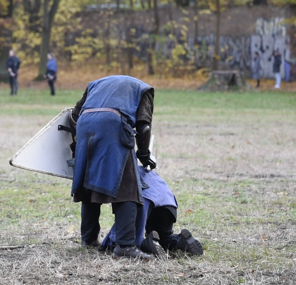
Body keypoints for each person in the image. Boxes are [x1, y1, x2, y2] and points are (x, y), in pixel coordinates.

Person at [70, 75, 157, 260]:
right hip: (113, 125)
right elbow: (144, 128)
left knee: (90, 182)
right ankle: (125, 246)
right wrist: (144, 155)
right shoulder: (144, 90)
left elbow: (73, 115)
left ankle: (88, 238)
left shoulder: (94, 84)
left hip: (85, 126)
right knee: (129, 186)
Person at [99, 166, 204, 257]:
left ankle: (148, 243)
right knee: (164, 237)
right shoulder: (143, 169)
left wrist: (104, 242)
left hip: (143, 200)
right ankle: (179, 241)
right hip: (168, 201)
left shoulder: (122, 173)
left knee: (124, 244)